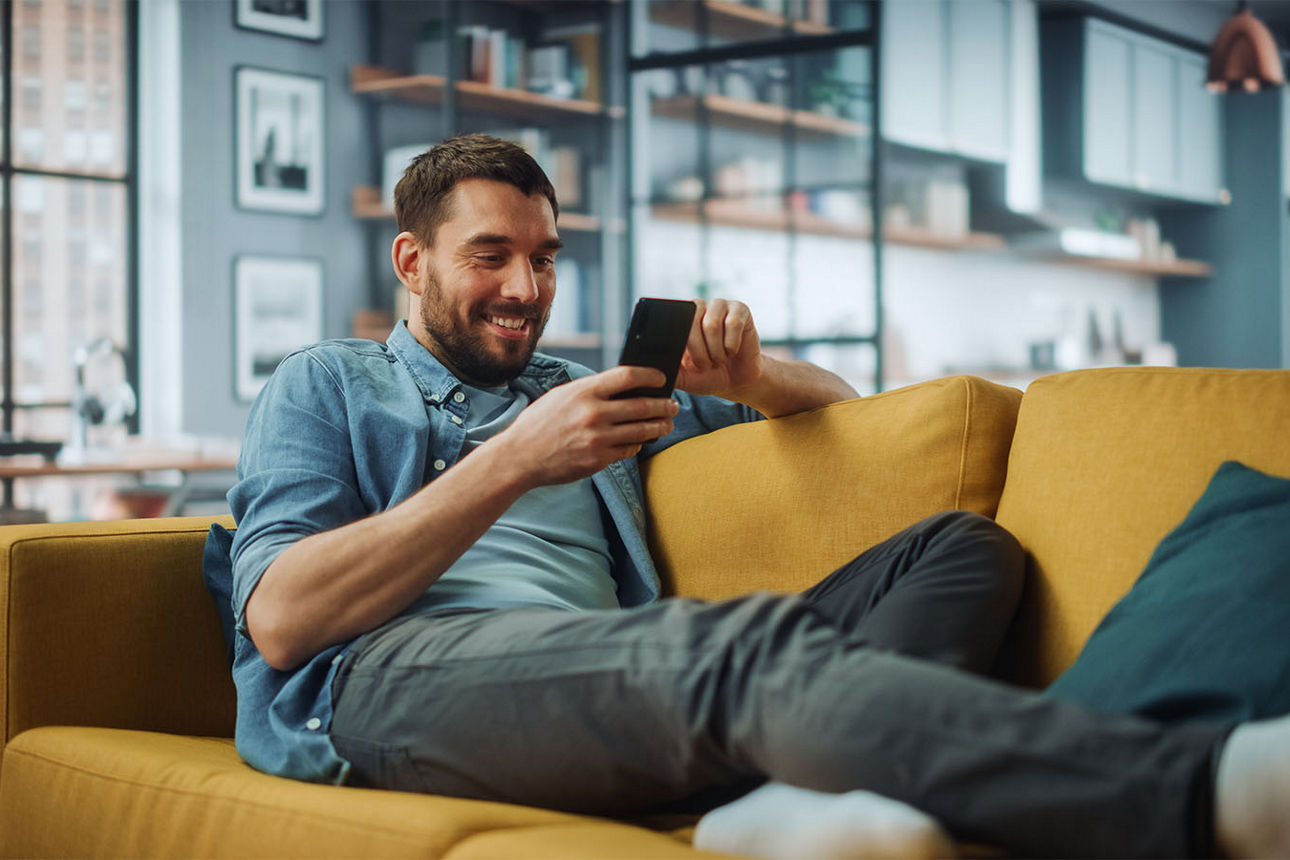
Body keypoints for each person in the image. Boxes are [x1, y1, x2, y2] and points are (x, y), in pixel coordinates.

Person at [209, 134, 1290, 859]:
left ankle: (805, 803)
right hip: (394, 686)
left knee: (962, 546)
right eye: (490, 256)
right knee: (731, 645)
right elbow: (285, 613)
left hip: (602, 673)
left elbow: (853, 412)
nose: (527, 289)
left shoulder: (584, 395)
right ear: (412, 260)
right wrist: (512, 460)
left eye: (545, 258)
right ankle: (1200, 788)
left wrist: (754, 379)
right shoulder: (330, 383)